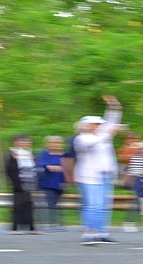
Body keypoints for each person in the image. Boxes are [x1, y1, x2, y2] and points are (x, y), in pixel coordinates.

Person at [73, 95, 124, 244]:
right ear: (87, 126)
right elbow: (93, 143)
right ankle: (89, 233)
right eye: (95, 124)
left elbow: (112, 122)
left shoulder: (102, 135)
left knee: (103, 205)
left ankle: (102, 232)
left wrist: (114, 107)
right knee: (93, 205)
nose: (99, 126)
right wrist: (108, 133)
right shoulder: (82, 138)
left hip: (105, 176)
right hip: (89, 177)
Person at [5, 134, 40, 234]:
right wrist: (16, 180)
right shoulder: (12, 154)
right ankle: (15, 228)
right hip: (18, 182)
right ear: (15, 143)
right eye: (20, 141)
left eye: (25, 141)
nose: (23, 143)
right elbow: (9, 170)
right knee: (18, 205)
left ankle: (31, 227)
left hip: (30, 181)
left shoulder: (31, 154)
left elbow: (36, 167)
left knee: (29, 205)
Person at [36, 135, 66, 231]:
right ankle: (52, 224)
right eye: (53, 142)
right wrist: (47, 166)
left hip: (60, 183)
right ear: (47, 144)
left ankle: (57, 224)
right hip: (46, 183)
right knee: (50, 203)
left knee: (57, 203)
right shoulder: (43, 153)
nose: (55, 144)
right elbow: (39, 164)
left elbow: (68, 169)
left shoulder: (64, 155)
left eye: (58, 143)